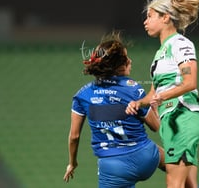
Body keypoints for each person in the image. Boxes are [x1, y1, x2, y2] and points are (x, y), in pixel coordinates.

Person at [63, 32, 165, 188]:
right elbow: (156, 127)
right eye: (126, 59)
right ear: (117, 67)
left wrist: (72, 162)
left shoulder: (82, 95)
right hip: (145, 157)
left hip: (113, 169)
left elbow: (74, 137)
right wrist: (155, 109)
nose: (130, 61)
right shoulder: (132, 88)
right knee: (176, 165)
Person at [126, 0, 199, 188]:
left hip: (182, 116)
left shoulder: (180, 43)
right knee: (187, 184)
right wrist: (137, 102)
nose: (145, 21)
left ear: (166, 17)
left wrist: (163, 97)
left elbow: (190, 82)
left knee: (173, 182)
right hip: (170, 120)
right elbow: (154, 93)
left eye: (150, 16)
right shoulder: (161, 53)